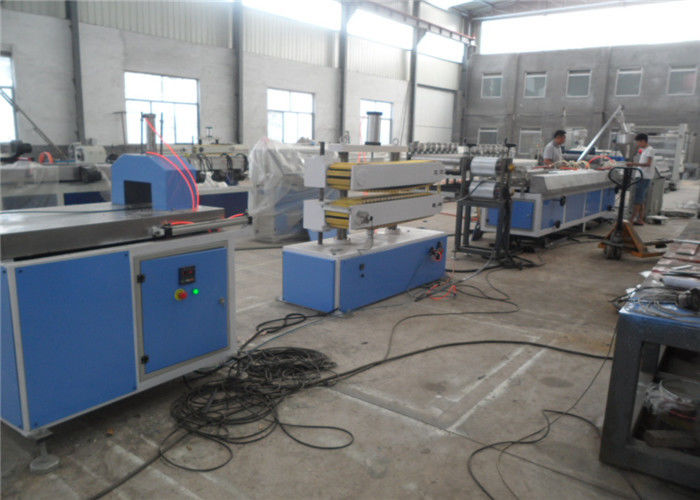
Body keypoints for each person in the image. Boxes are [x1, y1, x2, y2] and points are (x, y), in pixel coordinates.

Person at [626, 133, 655, 225]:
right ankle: (640, 219)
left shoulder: (650, 150)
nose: (637, 144)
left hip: (644, 177)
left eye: (638, 142)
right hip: (641, 175)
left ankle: (632, 219)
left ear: (643, 141)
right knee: (640, 199)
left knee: (638, 199)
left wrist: (633, 164)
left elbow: (648, 164)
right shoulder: (644, 150)